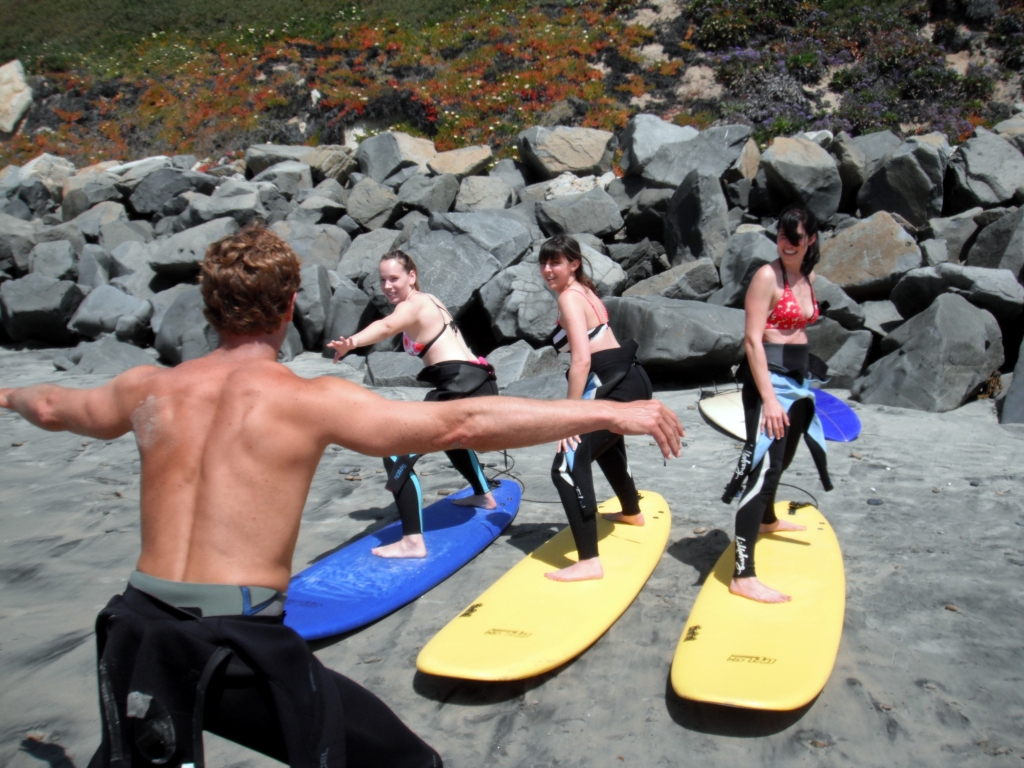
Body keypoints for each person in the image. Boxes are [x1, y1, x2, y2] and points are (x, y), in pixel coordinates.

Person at [0, 226, 683, 768]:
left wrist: (6, 394)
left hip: (135, 629)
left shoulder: (144, 388)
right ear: (290, 306)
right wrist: (608, 415)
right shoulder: (305, 402)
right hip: (233, 644)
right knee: (407, 761)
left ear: (207, 306)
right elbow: (463, 422)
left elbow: (55, 406)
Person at [326, 251, 499, 559]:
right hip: (478, 380)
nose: (388, 286)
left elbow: (385, 327)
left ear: (411, 276)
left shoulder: (412, 305)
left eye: (394, 278)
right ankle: (484, 495)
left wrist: (351, 343)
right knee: (451, 439)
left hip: (459, 384)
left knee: (394, 449)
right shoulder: (431, 300)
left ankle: (412, 542)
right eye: (382, 280)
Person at [539, 235, 673, 583]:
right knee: (606, 443)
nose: (548, 269)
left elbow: (581, 361)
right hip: (631, 377)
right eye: (544, 262)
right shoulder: (583, 292)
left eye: (556, 262)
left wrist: (567, 419)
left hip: (616, 384)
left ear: (574, 264)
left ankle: (589, 562)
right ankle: (631, 511)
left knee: (566, 465)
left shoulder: (570, 296)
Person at [722, 205, 833, 604]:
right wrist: (769, 399)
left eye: (795, 238)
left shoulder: (807, 276)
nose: (787, 244)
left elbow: (799, 328)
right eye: (782, 236)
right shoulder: (767, 276)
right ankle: (743, 575)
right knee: (764, 471)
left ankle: (767, 521)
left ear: (811, 240)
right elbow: (753, 340)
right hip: (770, 384)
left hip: (799, 383)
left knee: (783, 461)